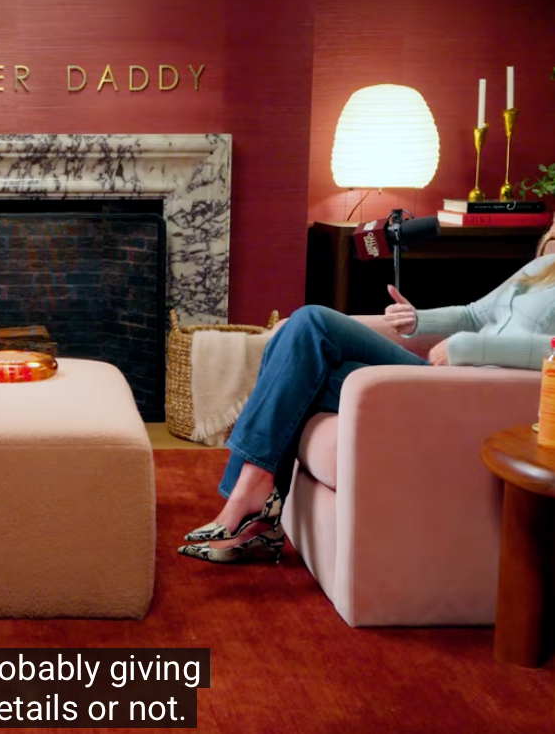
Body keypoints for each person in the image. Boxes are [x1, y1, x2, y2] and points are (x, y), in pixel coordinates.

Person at [178, 237, 555, 563]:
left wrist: (468, 348)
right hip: (446, 376)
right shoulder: (545, 265)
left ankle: (251, 504)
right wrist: (418, 320)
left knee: (301, 356)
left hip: (474, 390)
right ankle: (254, 501)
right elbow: (474, 314)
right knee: (302, 333)